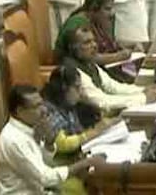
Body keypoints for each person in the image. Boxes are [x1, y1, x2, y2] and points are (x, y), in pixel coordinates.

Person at [0, 85, 103, 195]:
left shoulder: (30, 127)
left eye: (42, 104)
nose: (44, 110)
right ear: (20, 111)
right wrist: (84, 163)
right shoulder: (14, 139)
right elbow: (45, 178)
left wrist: (49, 142)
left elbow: (44, 163)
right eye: (36, 106)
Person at [38, 66, 113, 195]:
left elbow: (78, 130)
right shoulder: (48, 111)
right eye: (77, 88)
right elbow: (61, 144)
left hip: (75, 161)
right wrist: (93, 132)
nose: (81, 92)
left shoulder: (68, 106)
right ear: (63, 88)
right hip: (58, 171)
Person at [62, 27, 156, 112]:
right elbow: (102, 102)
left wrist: (143, 89)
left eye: (94, 41)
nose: (94, 45)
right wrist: (143, 98)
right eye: (87, 43)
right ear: (73, 48)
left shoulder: (89, 64)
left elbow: (113, 87)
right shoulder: (72, 71)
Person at [54, 0, 132, 68]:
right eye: (107, 9)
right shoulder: (78, 23)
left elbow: (110, 44)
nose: (112, 13)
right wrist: (119, 56)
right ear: (93, 9)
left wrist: (131, 46)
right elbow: (90, 58)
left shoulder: (96, 20)